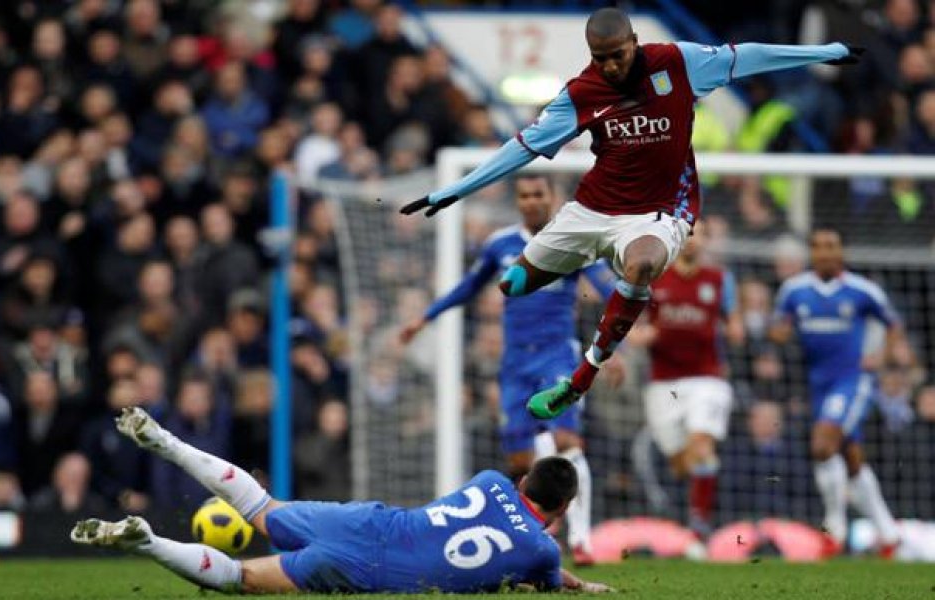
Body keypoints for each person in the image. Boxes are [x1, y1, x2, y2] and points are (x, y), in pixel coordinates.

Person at [398, 7, 863, 419]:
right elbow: (524, 147)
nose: (610, 66)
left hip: (662, 212)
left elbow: (747, 57)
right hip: (593, 208)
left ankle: (582, 375)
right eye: (600, 58)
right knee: (513, 285)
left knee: (640, 264)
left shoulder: (677, 63)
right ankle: (595, 277)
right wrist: (454, 191)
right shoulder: (581, 92)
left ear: (634, 43)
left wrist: (825, 51)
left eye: (617, 55)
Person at [71, 407, 609, 594]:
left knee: (261, 506)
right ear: (560, 511)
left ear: (522, 482)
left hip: (369, 521)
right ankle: (147, 542)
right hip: (367, 566)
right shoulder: (541, 552)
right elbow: (548, 573)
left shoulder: (492, 479)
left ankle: (165, 441)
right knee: (242, 578)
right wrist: (582, 583)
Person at [399, 174, 617, 565]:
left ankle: (582, 541)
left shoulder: (573, 241)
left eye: (539, 194)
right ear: (518, 201)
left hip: (557, 356)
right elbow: (470, 285)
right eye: (525, 195)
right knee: (520, 462)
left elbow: (607, 290)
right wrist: (425, 317)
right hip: (515, 363)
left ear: (552, 198)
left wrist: (621, 342)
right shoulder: (501, 244)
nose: (532, 201)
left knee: (567, 440)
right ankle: (538, 534)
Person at [769, 226, 911, 556]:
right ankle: (889, 535)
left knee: (822, 445)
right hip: (817, 383)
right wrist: (778, 333)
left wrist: (881, 357)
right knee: (850, 457)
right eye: (818, 247)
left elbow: (893, 324)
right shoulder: (794, 290)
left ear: (841, 251)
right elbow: (778, 328)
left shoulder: (863, 291)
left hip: (853, 380)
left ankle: (834, 528)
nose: (825, 252)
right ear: (811, 253)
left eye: (831, 246)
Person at [628, 224, 743, 537]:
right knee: (681, 464)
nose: (693, 240)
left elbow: (735, 325)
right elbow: (631, 324)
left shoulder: (720, 280)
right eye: (687, 234)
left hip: (707, 378)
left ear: (706, 240)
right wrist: (641, 336)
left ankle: (699, 525)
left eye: (700, 234)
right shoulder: (653, 277)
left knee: (701, 446)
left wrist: (735, 332)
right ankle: (689, 513)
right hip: (664, 382)